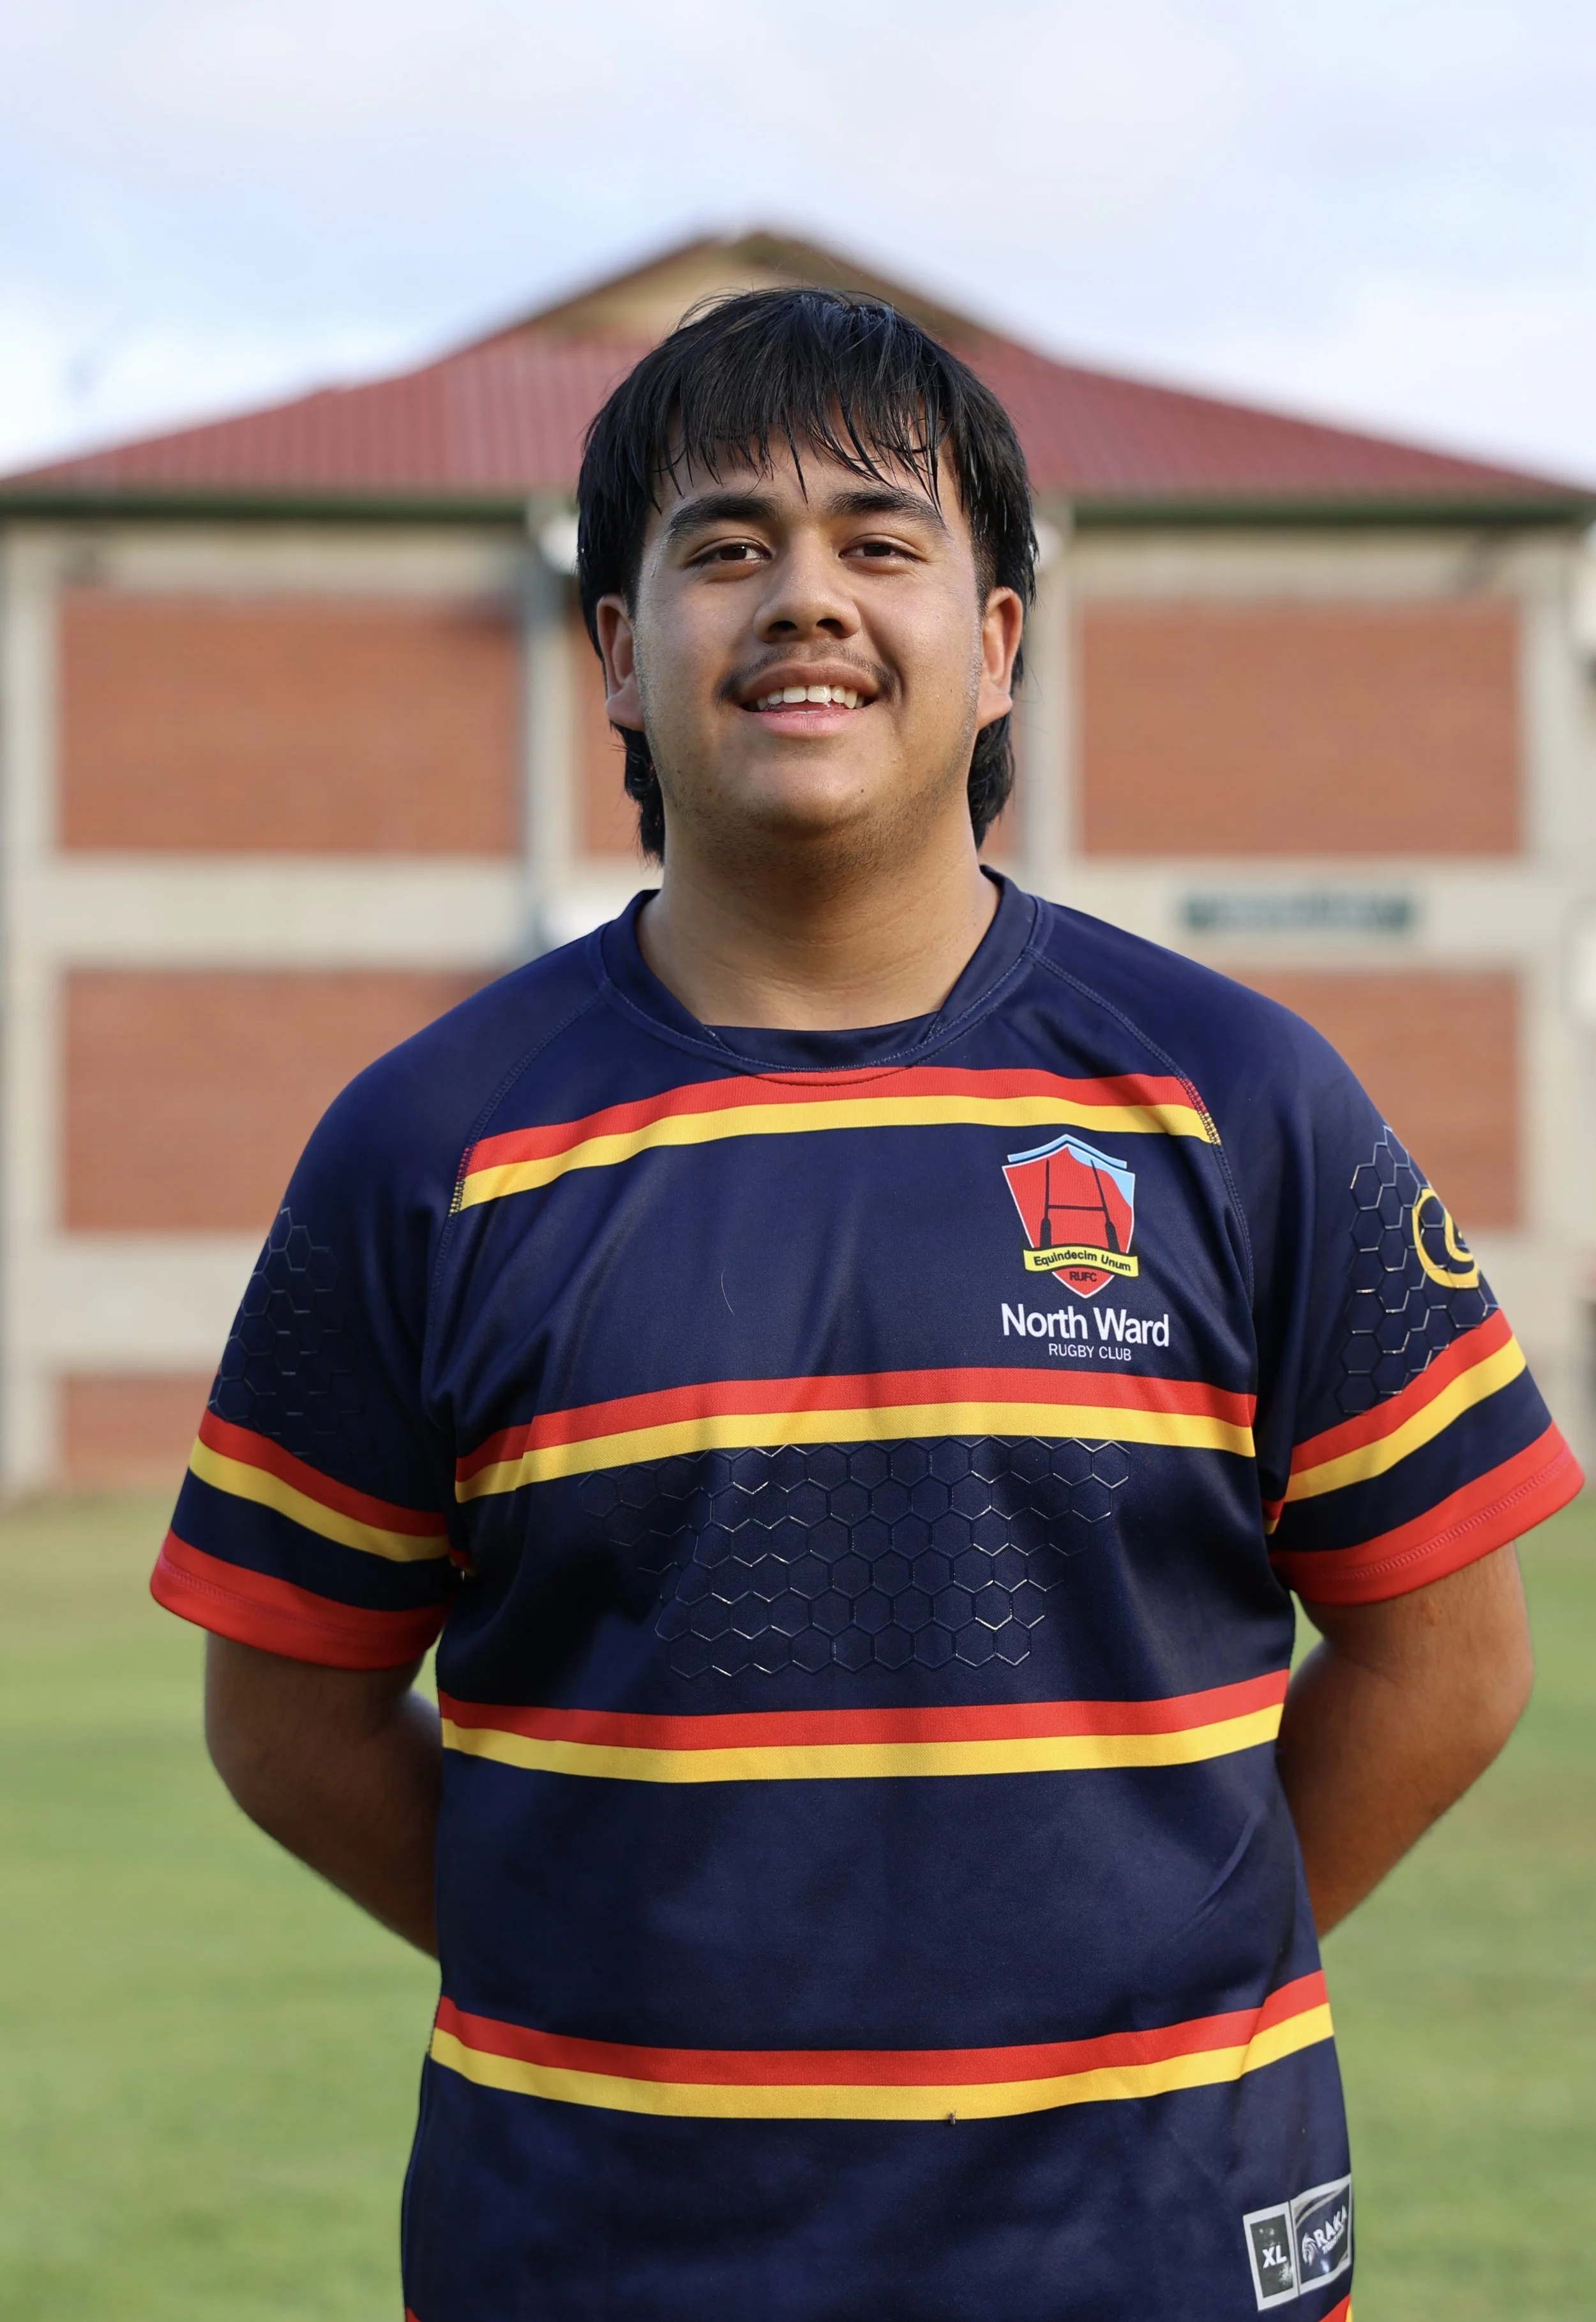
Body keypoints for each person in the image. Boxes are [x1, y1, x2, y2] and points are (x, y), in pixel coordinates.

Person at [153, 288, 1581, 2322]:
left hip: (1156, 2245)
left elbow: (1447, 1660)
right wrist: (615, 1970)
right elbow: (283, 1712)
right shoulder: (427, 1144)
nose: (802, 598)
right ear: (617, 655)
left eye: (879, 542)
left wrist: (1148, 1973)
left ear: (995, 642)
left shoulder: (1238, 1099)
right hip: (593, 2255)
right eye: (723, 546)